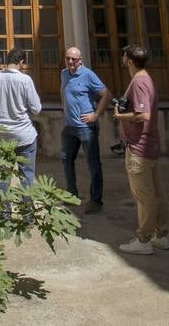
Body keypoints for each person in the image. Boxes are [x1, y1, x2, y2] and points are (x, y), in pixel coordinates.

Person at [110, 43, 169, 255]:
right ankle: (160, 235)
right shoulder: (146, 78)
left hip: (139, 146)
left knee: (144, 196)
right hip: (150, 144)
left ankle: (144, 239)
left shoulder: (139, 82)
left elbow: (143, 115)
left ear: (129, 60)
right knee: (157, 194)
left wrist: (119, 116)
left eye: (124, 55)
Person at [0, 48, 42, 192]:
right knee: (27, 176)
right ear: (21, 62)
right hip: (24, 135)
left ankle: (5, 213)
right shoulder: (25, 80)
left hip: (3, 135)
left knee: (3, 177)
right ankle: (27, 213)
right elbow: (36, 108)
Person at [59, 46, 106, 213]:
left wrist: (95, 115)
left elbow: (106, 95)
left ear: (80, 60)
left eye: (74, 59)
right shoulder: (64, 74)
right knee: (66, 159)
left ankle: (96, 200)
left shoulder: (88, 75)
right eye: (68, 58)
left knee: (93, 164)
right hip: (69, 126)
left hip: (86, 128)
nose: (70, 61)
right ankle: (72, 194)